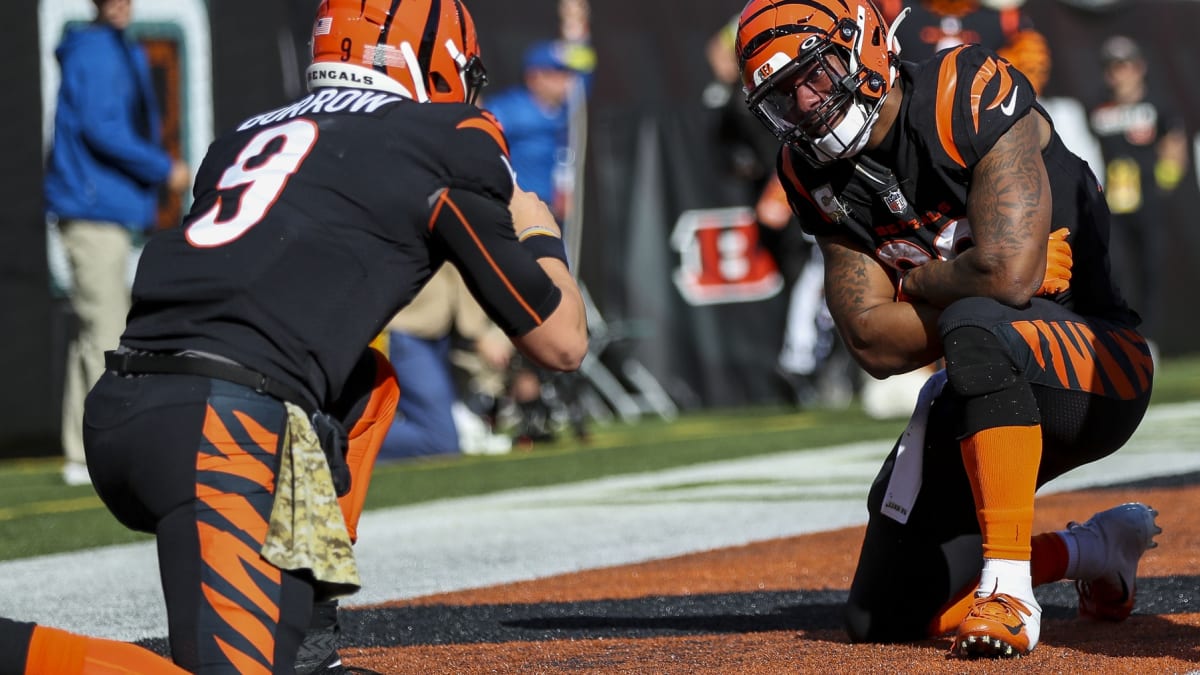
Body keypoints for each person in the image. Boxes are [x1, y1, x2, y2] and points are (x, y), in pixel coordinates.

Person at [0, 0, 587, 672]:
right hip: (221, 427)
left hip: (129, 406)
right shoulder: (444, 134)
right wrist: (539, 230)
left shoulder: (243, 136)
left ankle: (307, 623)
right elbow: (562, 343)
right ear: (430, 64)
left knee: (366, 378)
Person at [736, 0, 1159, 660]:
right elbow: (872, 340)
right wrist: (952, 273)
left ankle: (1009, 592)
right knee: (884, 615)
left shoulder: (963, 91)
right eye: (783, 98)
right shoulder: (811, 173)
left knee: (978, 324)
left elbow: (1010, 275)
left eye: (813, 76)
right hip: (975, 385)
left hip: (1099, 362)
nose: (808, 105)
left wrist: (917, 282)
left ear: (867, 45)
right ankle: (1091, 549)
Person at [44, 0, 191, 487]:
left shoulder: (114, 47)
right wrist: (161, 167)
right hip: (90, 212)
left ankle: (78, 453)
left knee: (95, 332)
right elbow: (102, 129)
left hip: (102, 210)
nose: (121, 6)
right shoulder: (97, 52)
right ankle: (94, 453)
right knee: (106, 332)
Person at [484, 5, 596, 443]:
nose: (566, 82)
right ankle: (513, 402)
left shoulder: (569, 110)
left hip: (553, 226)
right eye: (557, 74)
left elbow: (585, 66)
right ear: (535, 75)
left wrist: (575, 24)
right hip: (517, 224)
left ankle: (536, 403)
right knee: (523, 304)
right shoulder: (510, 110)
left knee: (551, 304)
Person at [1087, 35, 1189, 347]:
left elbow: (1175, 142)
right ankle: (1122, 338)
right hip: (1114, 205)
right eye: (1113, 67)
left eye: (1125, 66)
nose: (1120, 74)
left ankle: (1150, 340)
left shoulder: (1157, 105)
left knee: (1151, 268)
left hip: (1148, 202)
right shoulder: (1098, 109)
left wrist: (1165, 179)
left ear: (1139, 68)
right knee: (1118, 271)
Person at [377, 264, 515, 461]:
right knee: (440, 442)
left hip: (437, 331)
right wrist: (478, 333)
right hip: (407, 327)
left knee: (441, 435)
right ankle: (337, 436)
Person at [877, 0, 1050, 95]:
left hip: (976, 120)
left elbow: (1027, 74)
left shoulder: (1005, 21)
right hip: (906, 109)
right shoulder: (893, 7)